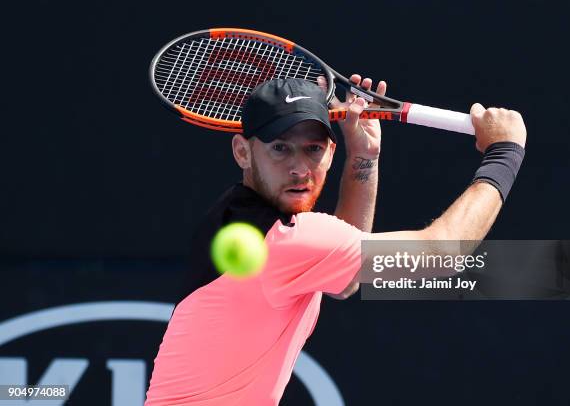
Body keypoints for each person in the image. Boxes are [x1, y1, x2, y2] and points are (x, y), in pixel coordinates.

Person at [145, 76, 527, 405]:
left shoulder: (244, 215)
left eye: (312, 148)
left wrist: (363, 157)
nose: (298, 168)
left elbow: (345, 281)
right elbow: (442, 252)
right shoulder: (287, 240)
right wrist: (505, 153)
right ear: (243, 151)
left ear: (331, 151)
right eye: (280, 148)